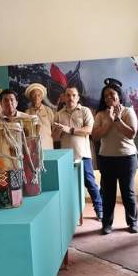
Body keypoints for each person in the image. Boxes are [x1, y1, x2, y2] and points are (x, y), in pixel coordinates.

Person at [92, 78, 138, 234]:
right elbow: (95, 136)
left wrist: (117, 119)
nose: (108, 98)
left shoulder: (128, 111)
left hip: (127, 158)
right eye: (105, 96)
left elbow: (131, 133)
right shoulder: (100, 115)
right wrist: (109, 121)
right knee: (108, 193)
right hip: (106, 159)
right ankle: (107, 224)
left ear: (119, 95)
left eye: (112, 94)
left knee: (128, 193)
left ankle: (133, 222)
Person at [53, 84, 103, 220]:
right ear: (63, 98)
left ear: (78, 97)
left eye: (74, 95)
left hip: (83, 155)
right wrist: (58, 131)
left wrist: (70, 130)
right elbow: (55, 138)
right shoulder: (58, 115)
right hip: (65, 158)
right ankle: (71, 214)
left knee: (90, 184)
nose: (71, 98)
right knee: (68, 186)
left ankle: (100, 210)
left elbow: (89, 130)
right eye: (68, 95)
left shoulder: (85, 111)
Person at [25, 82, 55, 149]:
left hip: (48, 146)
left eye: (38, 95)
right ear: (30, 97)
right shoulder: (27, 113)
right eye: (34, 95)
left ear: (42, 97)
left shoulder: (48, 110)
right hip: (33, 148)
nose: (36, 97)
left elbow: (54, 128)